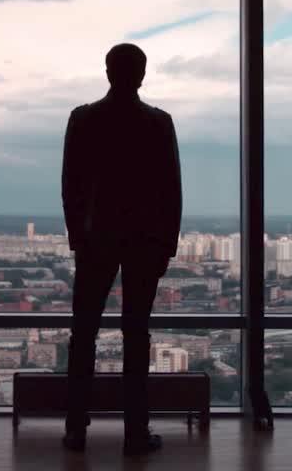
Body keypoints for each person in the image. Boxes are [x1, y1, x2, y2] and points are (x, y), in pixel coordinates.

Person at [60, 43, 182, 457]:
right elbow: (171, 190)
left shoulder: (83, 119)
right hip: (144, 243)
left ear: (107, 71)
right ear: (142, 75)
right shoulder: (158, 123)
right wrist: (167, 244)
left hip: (96, 240)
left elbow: (70, 186)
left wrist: (78, 236)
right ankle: (135, 434)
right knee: (135, 336)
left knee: (84, 335)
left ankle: (75, 430)